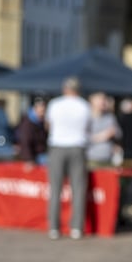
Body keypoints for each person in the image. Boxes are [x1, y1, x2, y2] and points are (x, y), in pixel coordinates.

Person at [45, 76, 91, 240]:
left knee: (55, 189)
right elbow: (88, 128)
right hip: (77, 147)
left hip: (57, 146)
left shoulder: (55, 104)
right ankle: (76, 228)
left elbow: (48, 125)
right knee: (78, 189)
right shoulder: (84, 105)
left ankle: (54, 228)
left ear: (65, 89)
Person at [86, 92, 121, 166]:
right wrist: (103, 135)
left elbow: (118, 134)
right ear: (91, 100)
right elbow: (82, 138)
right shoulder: (86, 117)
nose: (103, 101)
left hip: (108, 159)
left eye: (104, 99)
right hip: (90, 158)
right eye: (100, 99)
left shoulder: (110, 117)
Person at [16, 97, 48, 166]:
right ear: (35, 109)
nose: (43, 112)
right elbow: (25, 141)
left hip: (41, 154)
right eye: (41, 110)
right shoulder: (28, 123)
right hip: (35, 156)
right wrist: (29, 159)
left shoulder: (41, 122)